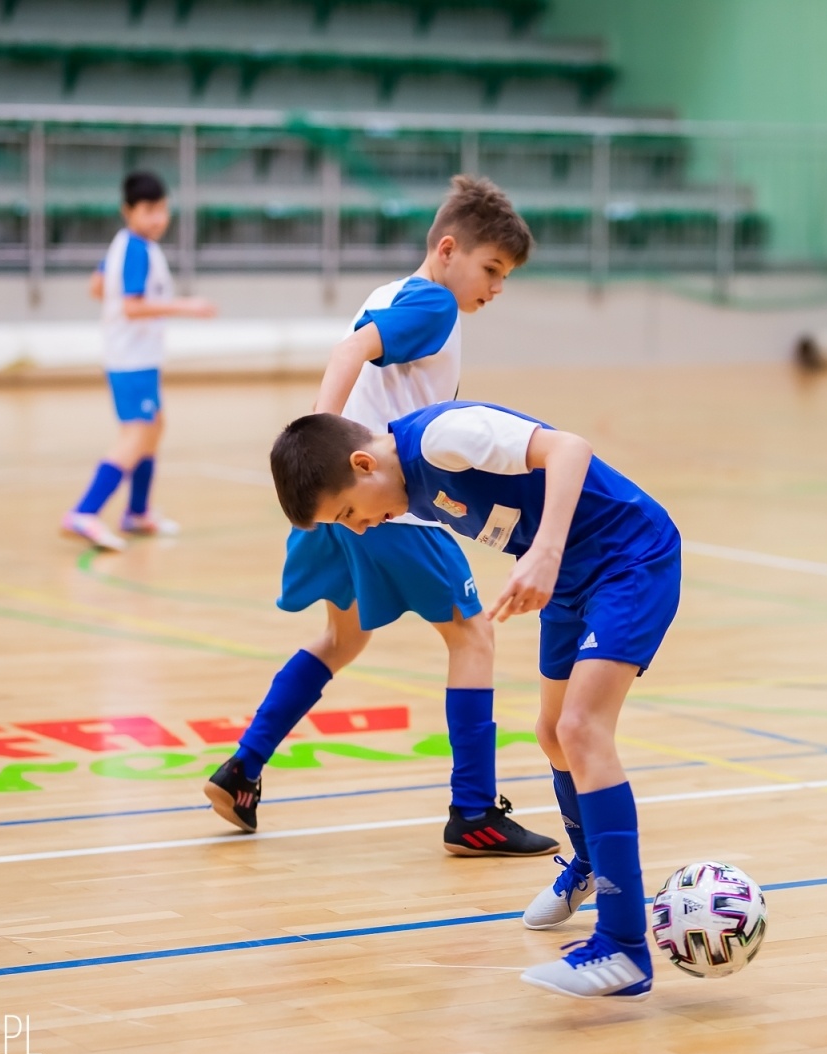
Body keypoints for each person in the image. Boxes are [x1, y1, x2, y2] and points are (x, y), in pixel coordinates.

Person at [270, 399, 682, 999]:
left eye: (348, 514)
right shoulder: (405, 488)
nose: (359, 528)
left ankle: (624, 948)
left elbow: (569, 447)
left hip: (628, 558)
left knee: (582, 729)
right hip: (570, 580)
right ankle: (595, 863)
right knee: (552, 733)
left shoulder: (442, 438)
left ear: (364, 464)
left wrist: (542, 550)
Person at [204, 177, 557, 862]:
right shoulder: (433, 304)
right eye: (491, 269)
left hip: (347, 505)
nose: (496, 287)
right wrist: (316, 440)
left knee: (341, 639)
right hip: (386, 501)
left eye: (505, 277)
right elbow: (348, 357)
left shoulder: (388, 294)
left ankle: (243, 770)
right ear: (449, 249)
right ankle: (475, 810)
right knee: (473, 636)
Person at [62, 170, 215, 552]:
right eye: (148, 210)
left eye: (162, 209)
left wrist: (118, 311)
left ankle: (137, 511)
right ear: (128, 210)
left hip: (133, 355)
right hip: (131, 359)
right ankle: (85, 511)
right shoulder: (136, 249)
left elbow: (97, 286)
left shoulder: (126, 244)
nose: (158, 218)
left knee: (154, 425)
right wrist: (185, 306)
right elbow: (131, 307)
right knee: (138, 434)